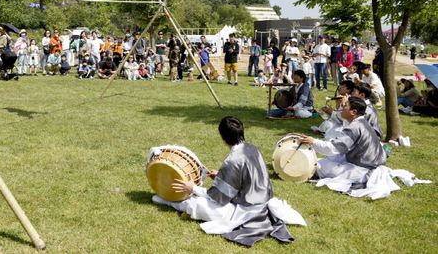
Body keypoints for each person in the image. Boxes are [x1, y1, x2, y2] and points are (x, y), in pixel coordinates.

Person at [152, 116, 305, 246]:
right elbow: (246, 176)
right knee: (201, 200)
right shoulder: (253, 148)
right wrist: (220, 175)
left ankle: (169, 202)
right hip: (261, 202)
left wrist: (193, 188)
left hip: (246, 211)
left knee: (198, 203)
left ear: (222, 137)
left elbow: (217, 197)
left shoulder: (233, 161)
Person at [297, 97, 412, 198]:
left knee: (318, 165)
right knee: (327, 160)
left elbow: (333, 148)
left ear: (353, 112)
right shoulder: (360, 123)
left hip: (362, 170)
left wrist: (313, 141)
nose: (342, 108)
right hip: (367, 164)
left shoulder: (355, 127)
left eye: (345, 106)